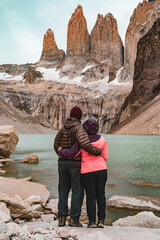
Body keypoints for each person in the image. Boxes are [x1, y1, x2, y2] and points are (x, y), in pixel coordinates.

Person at [54, 107, 102, 227]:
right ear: (79, 117)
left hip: (62, 164)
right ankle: (74, 219)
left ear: (70, 115)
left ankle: (61, 218)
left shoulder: (62, 129)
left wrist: (62, 154)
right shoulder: (79, 129)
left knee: (63, 190)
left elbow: (55, 146)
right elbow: (85, 144)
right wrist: (98, 151)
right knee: (77, 190)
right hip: (75, 164)